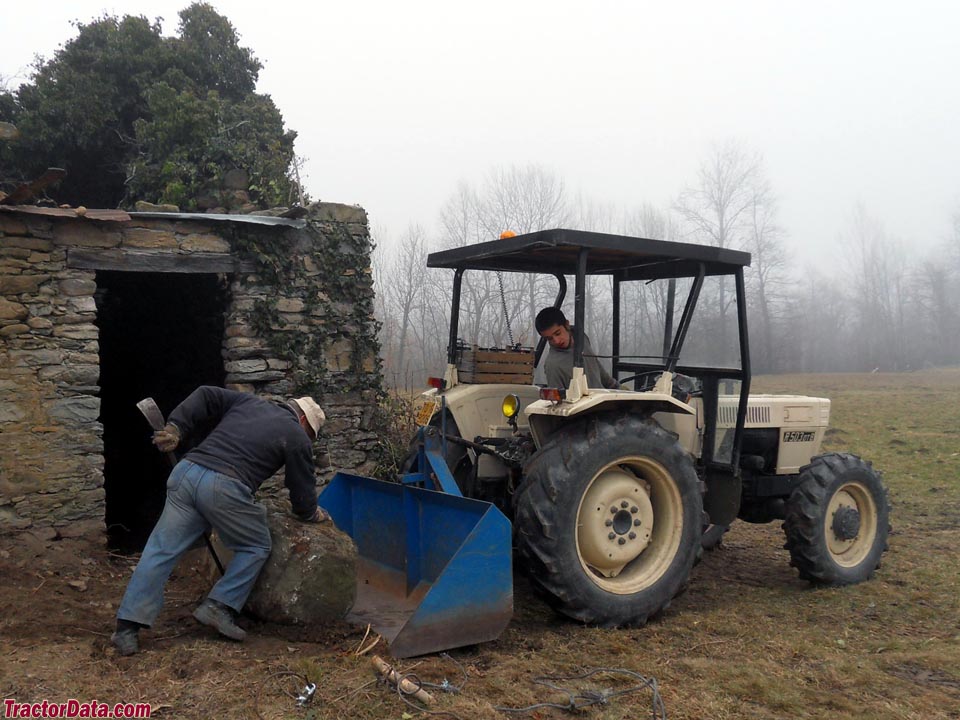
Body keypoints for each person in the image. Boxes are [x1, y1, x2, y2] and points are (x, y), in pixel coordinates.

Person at [110, 386, 328, 656]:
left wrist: (177, 426)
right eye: (311, 434)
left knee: (160, 551)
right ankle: (219, 605)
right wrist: (312, 514)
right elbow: (302, 493)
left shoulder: (248, 402)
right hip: (224, 486)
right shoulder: (296, 435)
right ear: (304, 420)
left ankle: (126, 628)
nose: (308, 439)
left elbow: (205, 394)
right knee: (256, 545)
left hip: (186, 474)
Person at [535, 307, 619, 390]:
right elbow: (558, 402)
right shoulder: (553, 366)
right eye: (549, 338)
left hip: (603, 398)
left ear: (567, 325)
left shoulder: (581, 336)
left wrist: (614, 385)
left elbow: (594, 364)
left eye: (558, 333)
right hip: (583, 403)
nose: (556, 341)